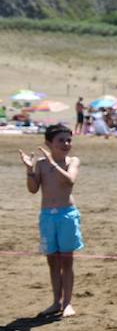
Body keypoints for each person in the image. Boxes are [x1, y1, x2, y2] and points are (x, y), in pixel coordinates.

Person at [19, 124, 82, 317]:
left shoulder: (72, 161)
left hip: (67, 215)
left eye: (68, 140)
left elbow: (69, 181)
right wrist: (30, 170)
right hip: (47, 216)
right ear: (48, 143)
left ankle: (68, 303)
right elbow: (33, 189)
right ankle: (56, 301)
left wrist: (53, 163)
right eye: (61, 140)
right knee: (52, 261)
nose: (66, 143)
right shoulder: (41, 164)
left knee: (66, 260)